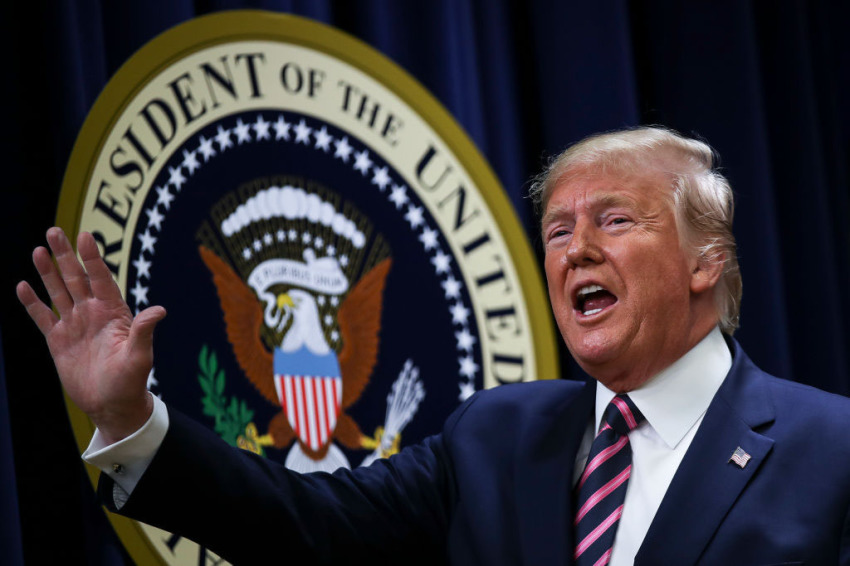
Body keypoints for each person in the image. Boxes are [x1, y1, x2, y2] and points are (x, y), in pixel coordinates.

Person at [18, 127, 850, 565]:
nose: (574, 249)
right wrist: (133, 417)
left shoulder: (832, 448)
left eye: (614, 220)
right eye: (557, 230)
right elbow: (310, 529)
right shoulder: (495, 436)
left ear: (709, 262)